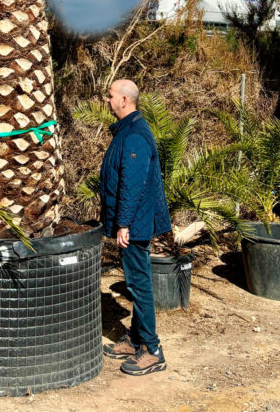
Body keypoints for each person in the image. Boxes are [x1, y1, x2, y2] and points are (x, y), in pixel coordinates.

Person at [99, 78, 171, 376]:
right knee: (135, 281)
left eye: (111, 95)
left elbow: (133, 184)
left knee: (138, 283)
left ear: (125, 101)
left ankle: (152, 349)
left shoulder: (135, 136)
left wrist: (124, 223)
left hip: (135, 225)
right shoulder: (127, 130)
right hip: (133, 222)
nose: (108, 100)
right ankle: (136, 339)